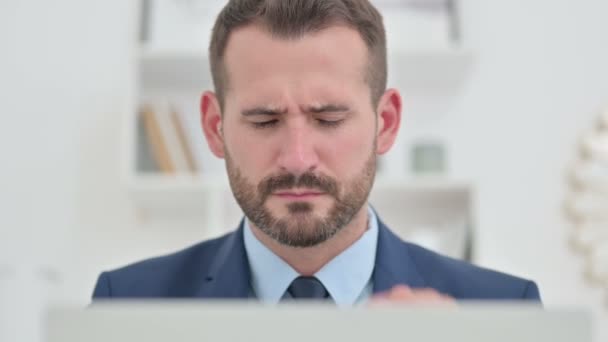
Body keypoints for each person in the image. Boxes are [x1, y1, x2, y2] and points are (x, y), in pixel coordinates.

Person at [92, 0, 540, 305]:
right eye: (265, 120)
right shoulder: (126, 305)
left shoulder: (502, 313)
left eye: (328, 119)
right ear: (215, 127)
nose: (297, 158)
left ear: (385, 124)